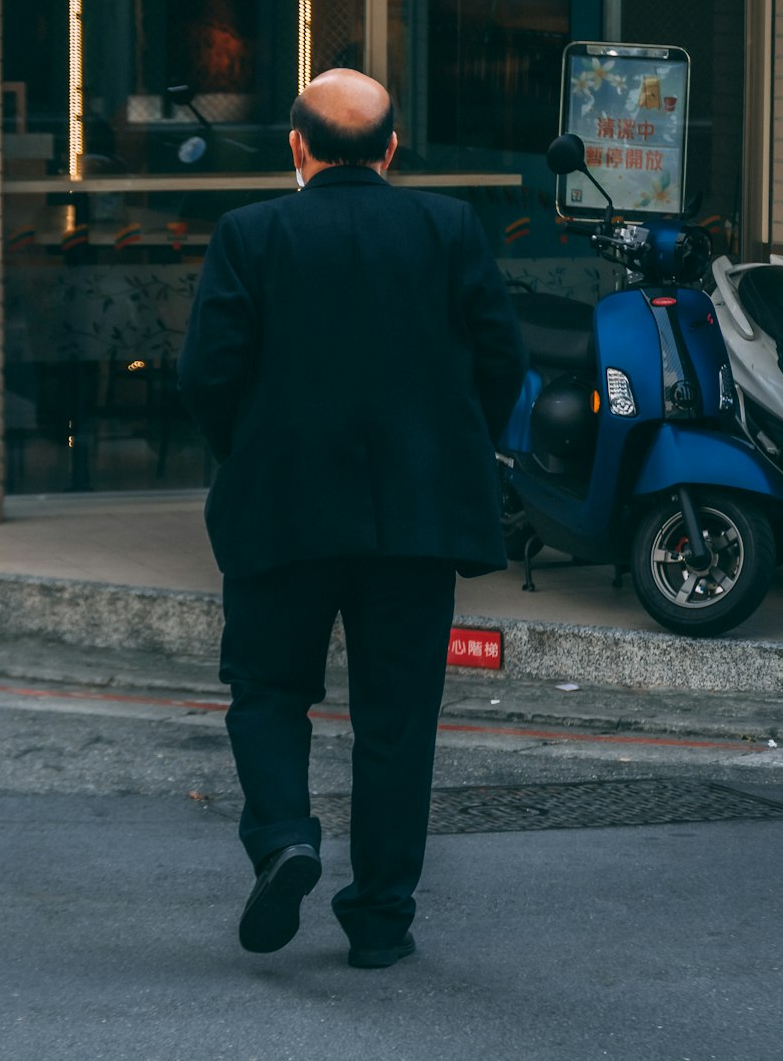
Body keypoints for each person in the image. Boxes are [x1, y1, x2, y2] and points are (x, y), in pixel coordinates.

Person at [177, 68, 527, 969]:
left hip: (281, 511)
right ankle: (379, 920)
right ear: (390, 147)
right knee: (399, 720)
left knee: (265, 689)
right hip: (417, 518)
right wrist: (455, 451)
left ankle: (286, 837)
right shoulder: (449, 227)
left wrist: (249, 452)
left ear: (296, 146)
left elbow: (207, 376)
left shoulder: (250, 234)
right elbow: (501, 360)